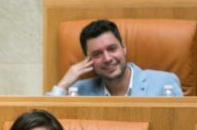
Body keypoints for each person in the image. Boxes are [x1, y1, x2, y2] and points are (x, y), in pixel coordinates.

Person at [49, 19, 183, 96]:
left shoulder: (165, 84)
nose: (107, 58)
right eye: (97, 54)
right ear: (88, 60)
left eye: (112, 49)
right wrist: (63, 84)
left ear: (124, 47)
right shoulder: (78, 91)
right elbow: (43, 127)